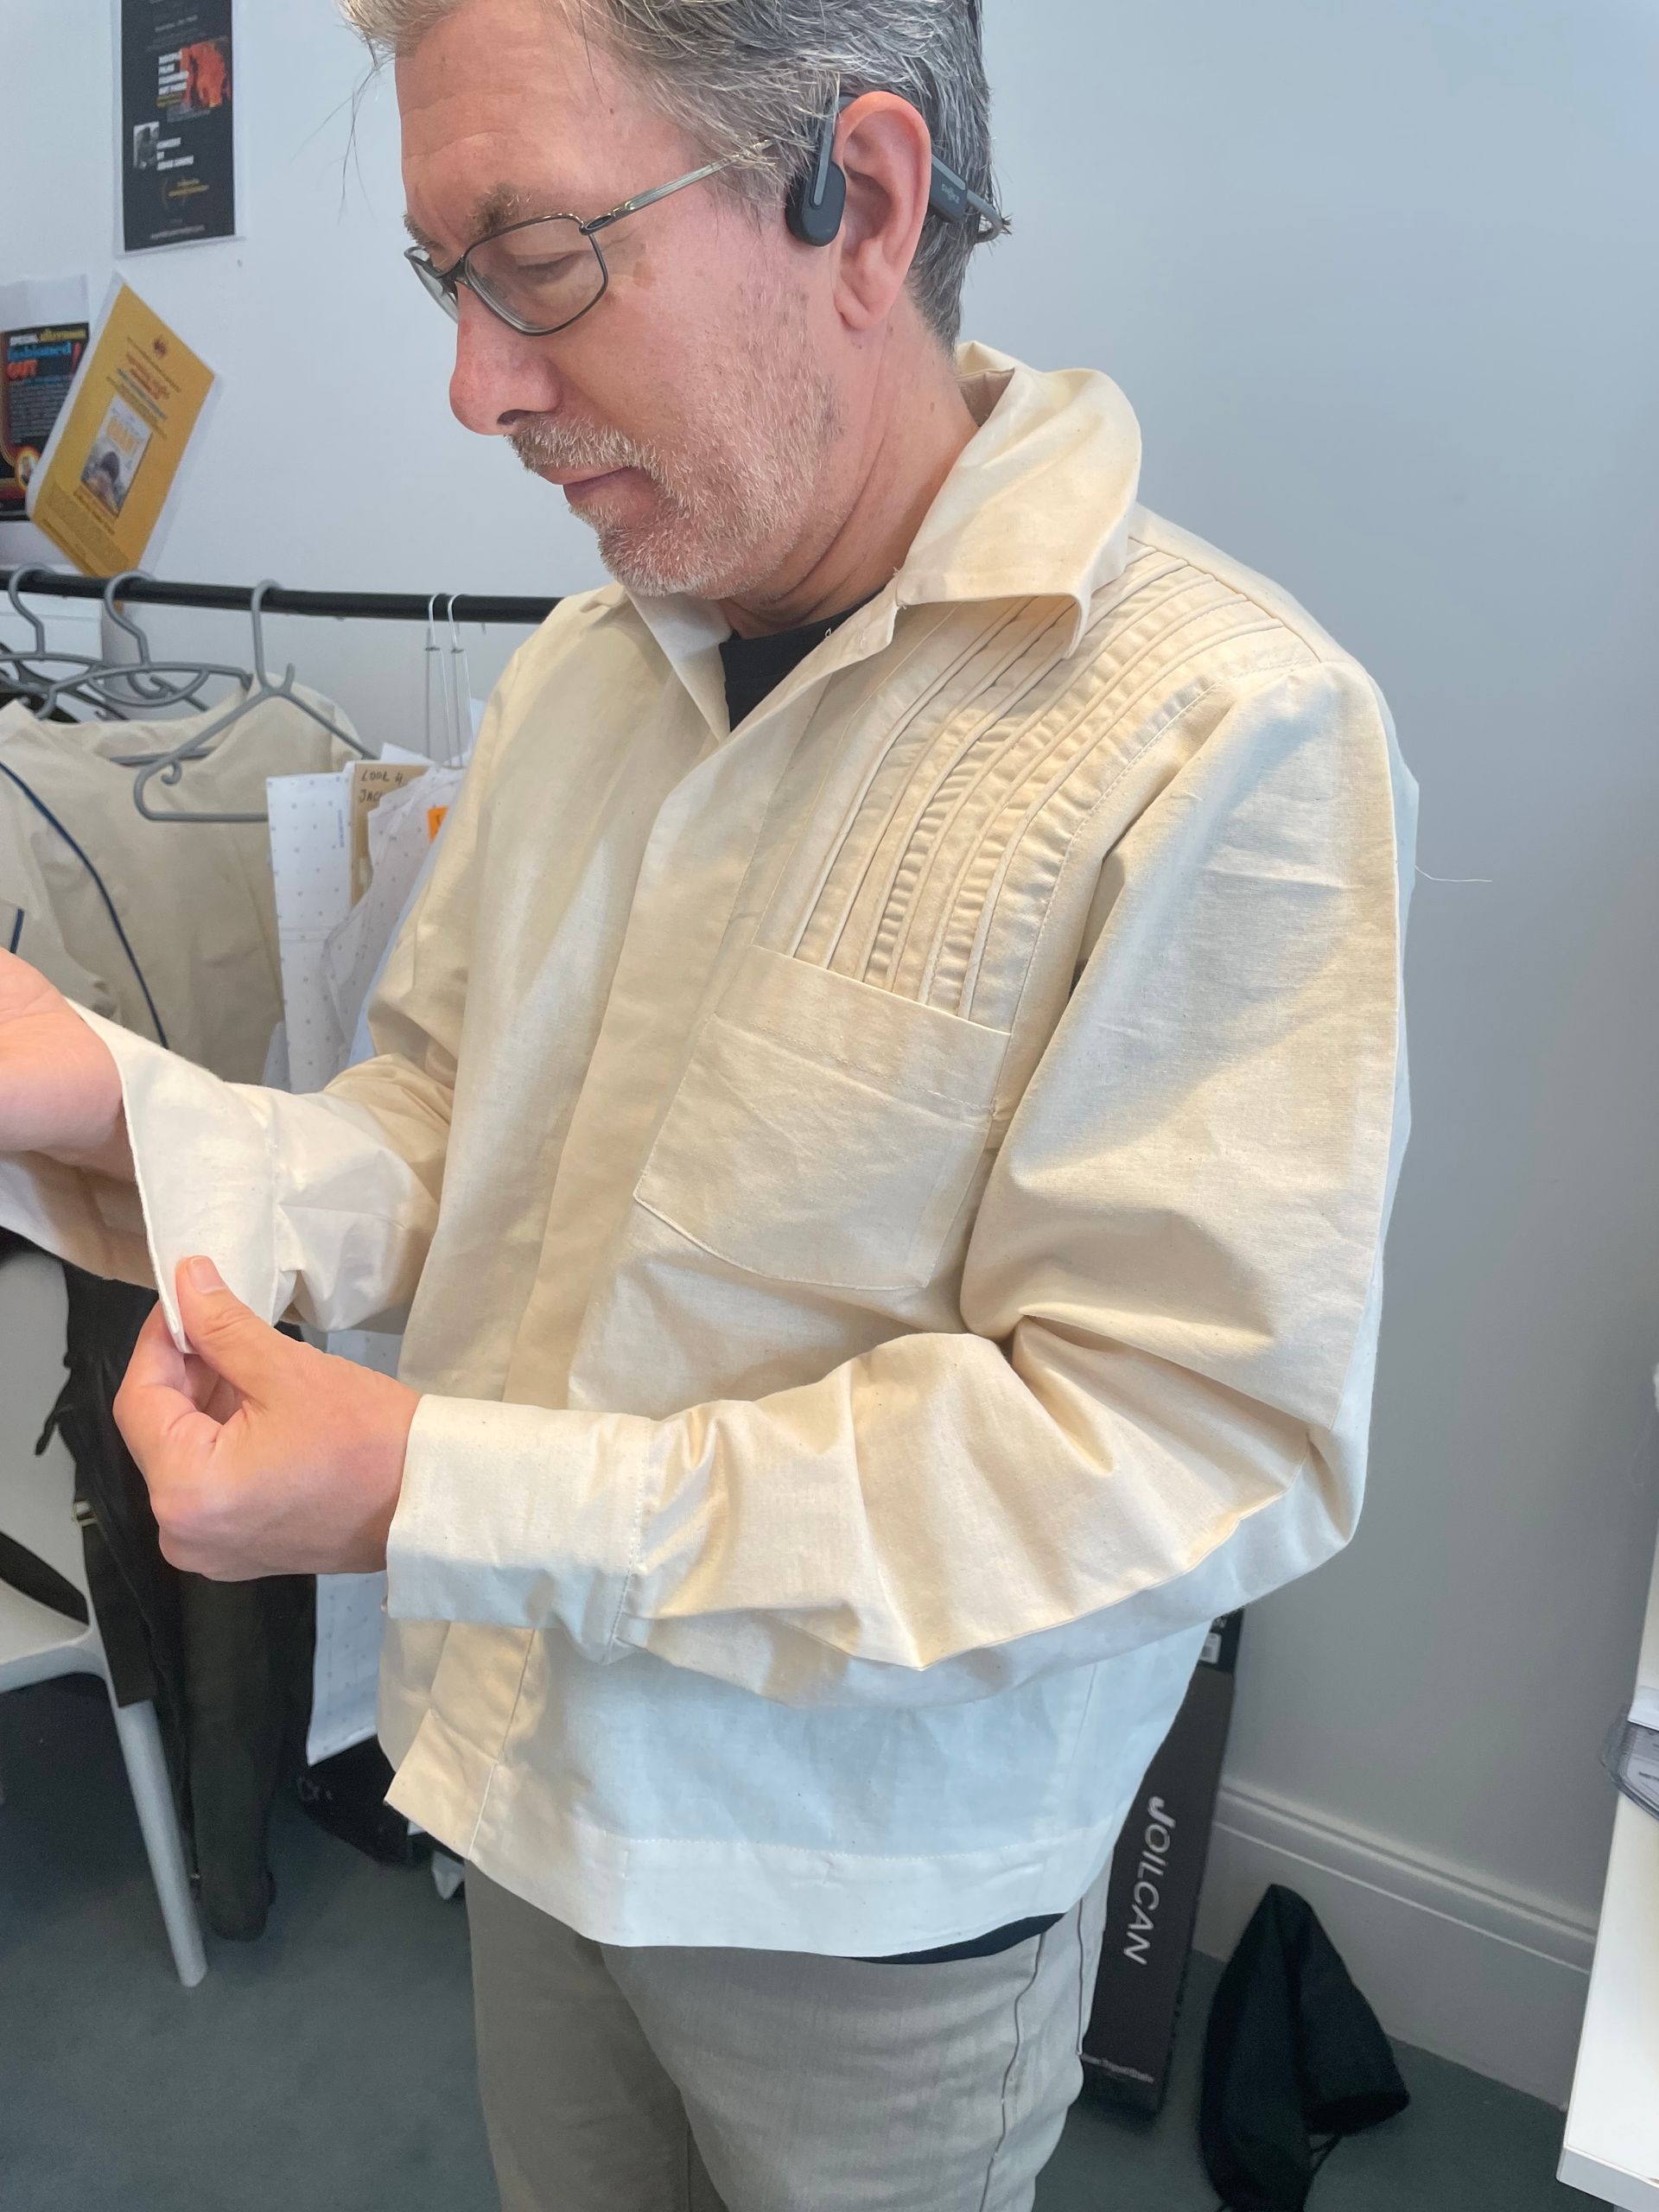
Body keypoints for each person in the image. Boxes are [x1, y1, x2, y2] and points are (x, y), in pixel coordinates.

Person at [0, 0, 1417, 2205]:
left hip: (874, 1911)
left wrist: (437, 1486)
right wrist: (112, 1088)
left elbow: (1179, 1450)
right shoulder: (587, 669)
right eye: (438, 280)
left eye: (538, 259)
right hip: (534, 1783)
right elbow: (451, 1129)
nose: (473, 384)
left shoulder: (1220, 734)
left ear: (856, 196)